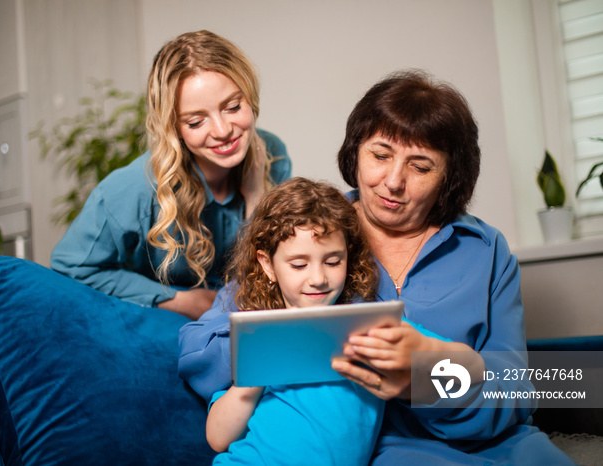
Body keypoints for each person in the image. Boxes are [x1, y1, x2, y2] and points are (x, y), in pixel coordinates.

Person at [178, 70, 575, 464]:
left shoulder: (485, 250)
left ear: (449, 177)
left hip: (501, 446)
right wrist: (291, 340)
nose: (393, 181)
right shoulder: (312, 234)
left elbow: (515, 389)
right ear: (356, 153)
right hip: (386, 451)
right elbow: (201, 352)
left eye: (420, 167)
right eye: (380, 156)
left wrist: (431, 373)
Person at [207, 177, 453, 465]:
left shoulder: (371, 325)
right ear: (267, 264)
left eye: (333, 261)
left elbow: (457, 368)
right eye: (299, 264)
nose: (318, 278)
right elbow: (218, 438)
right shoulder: (262, 334)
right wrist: (251, 381)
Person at [51, 30, 291, 320]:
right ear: (173, 127)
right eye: (196, 121)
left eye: (233, 107)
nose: (222, 130)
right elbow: (70, 268)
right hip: (160, 330)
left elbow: (272, 271)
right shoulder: (131, 188)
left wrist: (256, 199)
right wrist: (178, 299)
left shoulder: (273, 156)